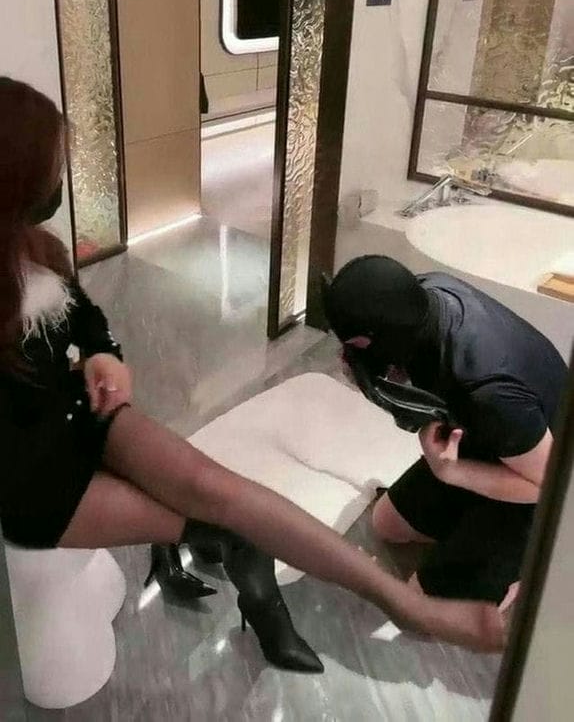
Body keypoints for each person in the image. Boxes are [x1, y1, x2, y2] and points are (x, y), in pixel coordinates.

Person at [0, 80, 506, 675]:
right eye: (54, 169)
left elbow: (83, 314)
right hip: (34, 480)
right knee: (225, 523)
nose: (61, 183)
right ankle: (260, 599)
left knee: (227, 491)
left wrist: (101, 352)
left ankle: (406, 605)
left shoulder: (31, 246)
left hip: (80, 413)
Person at [323, 255, 567, 614]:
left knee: (420, 608)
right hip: (495, 441)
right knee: (386, 524)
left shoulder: (487, 390)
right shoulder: (428, 292)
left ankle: (533, 558)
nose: (349, 356)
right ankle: (477, 529)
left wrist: (451, 472)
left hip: (549, 487)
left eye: (355, 346)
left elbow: (549, 484)